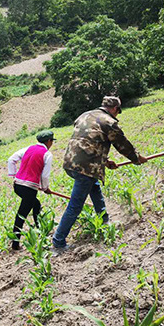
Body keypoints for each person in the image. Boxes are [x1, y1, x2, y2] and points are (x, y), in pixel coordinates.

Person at [52, 96, 148, 253]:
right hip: (86, 168)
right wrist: (136, 158)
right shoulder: (109, 123)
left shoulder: (84, 115)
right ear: (116, 109)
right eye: (118, 112)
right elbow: (122, 144)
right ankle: (58, 241)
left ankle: (104, 220)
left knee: (94, 187)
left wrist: (105, 161)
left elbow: (88, 140)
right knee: (76, 204)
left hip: (70, 163)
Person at [7, 130, 55, 250]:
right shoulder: (47, 154)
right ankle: (15, 244)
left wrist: (14, 175)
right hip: (29, 188)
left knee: (36, 204)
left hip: (18, 186)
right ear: (49, 141)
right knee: (22, 214)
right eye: (52, 141)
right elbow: (44, 176)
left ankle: (40, 229)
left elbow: (11, 159)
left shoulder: (28, 148)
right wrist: (45, 188)